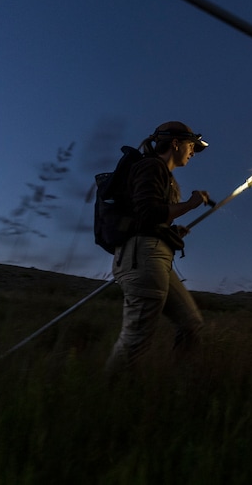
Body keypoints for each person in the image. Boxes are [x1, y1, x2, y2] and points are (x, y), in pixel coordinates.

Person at [105, 121, 212, 376]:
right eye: (191, 145)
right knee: (135, 340)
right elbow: (149, 213)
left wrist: (172, 232)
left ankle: (179, 388)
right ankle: (108, 398)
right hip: (143, 258)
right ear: (175, 143)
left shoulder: (162, 173)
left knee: (191, 323)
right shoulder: (151, 166)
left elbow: (150, 219)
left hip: (155, 256)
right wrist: (190, 204)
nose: (193, 152)